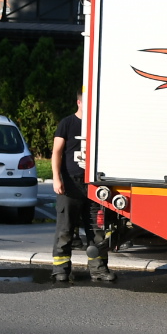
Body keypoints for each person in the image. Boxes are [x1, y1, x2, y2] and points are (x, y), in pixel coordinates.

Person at [50, 91, 114, 285]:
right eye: (87, 102)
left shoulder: (97, 125)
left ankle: (99, 270)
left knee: (97, 231)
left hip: (94, 186)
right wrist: (56, 179)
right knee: (65, 229)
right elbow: (57, 152)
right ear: (79, 102)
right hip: (71, 185)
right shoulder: (67, 123)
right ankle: (61, 270)